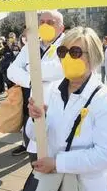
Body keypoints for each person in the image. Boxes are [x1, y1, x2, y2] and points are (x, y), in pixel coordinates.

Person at [22, 26, 107, 191]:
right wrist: (35, 119)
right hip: (55, 187)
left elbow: (106, 155)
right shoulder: (52, 92)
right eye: (63, 52)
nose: (68, 58)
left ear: (92, 56)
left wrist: (58, 163)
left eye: (75, 52)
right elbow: (33, 136)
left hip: (88, 190)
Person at [7, 10, 65, 158]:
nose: (45, 25)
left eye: (51, 23)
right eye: (42, 22)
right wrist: (32, 81)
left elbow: (61, 69)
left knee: (59, 159)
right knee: (36, 158)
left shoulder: (68, 44)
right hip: (36, 109)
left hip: (61, 109)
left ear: (61, 28)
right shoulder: (31, 46)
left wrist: (29, 68)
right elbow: (12, 71)